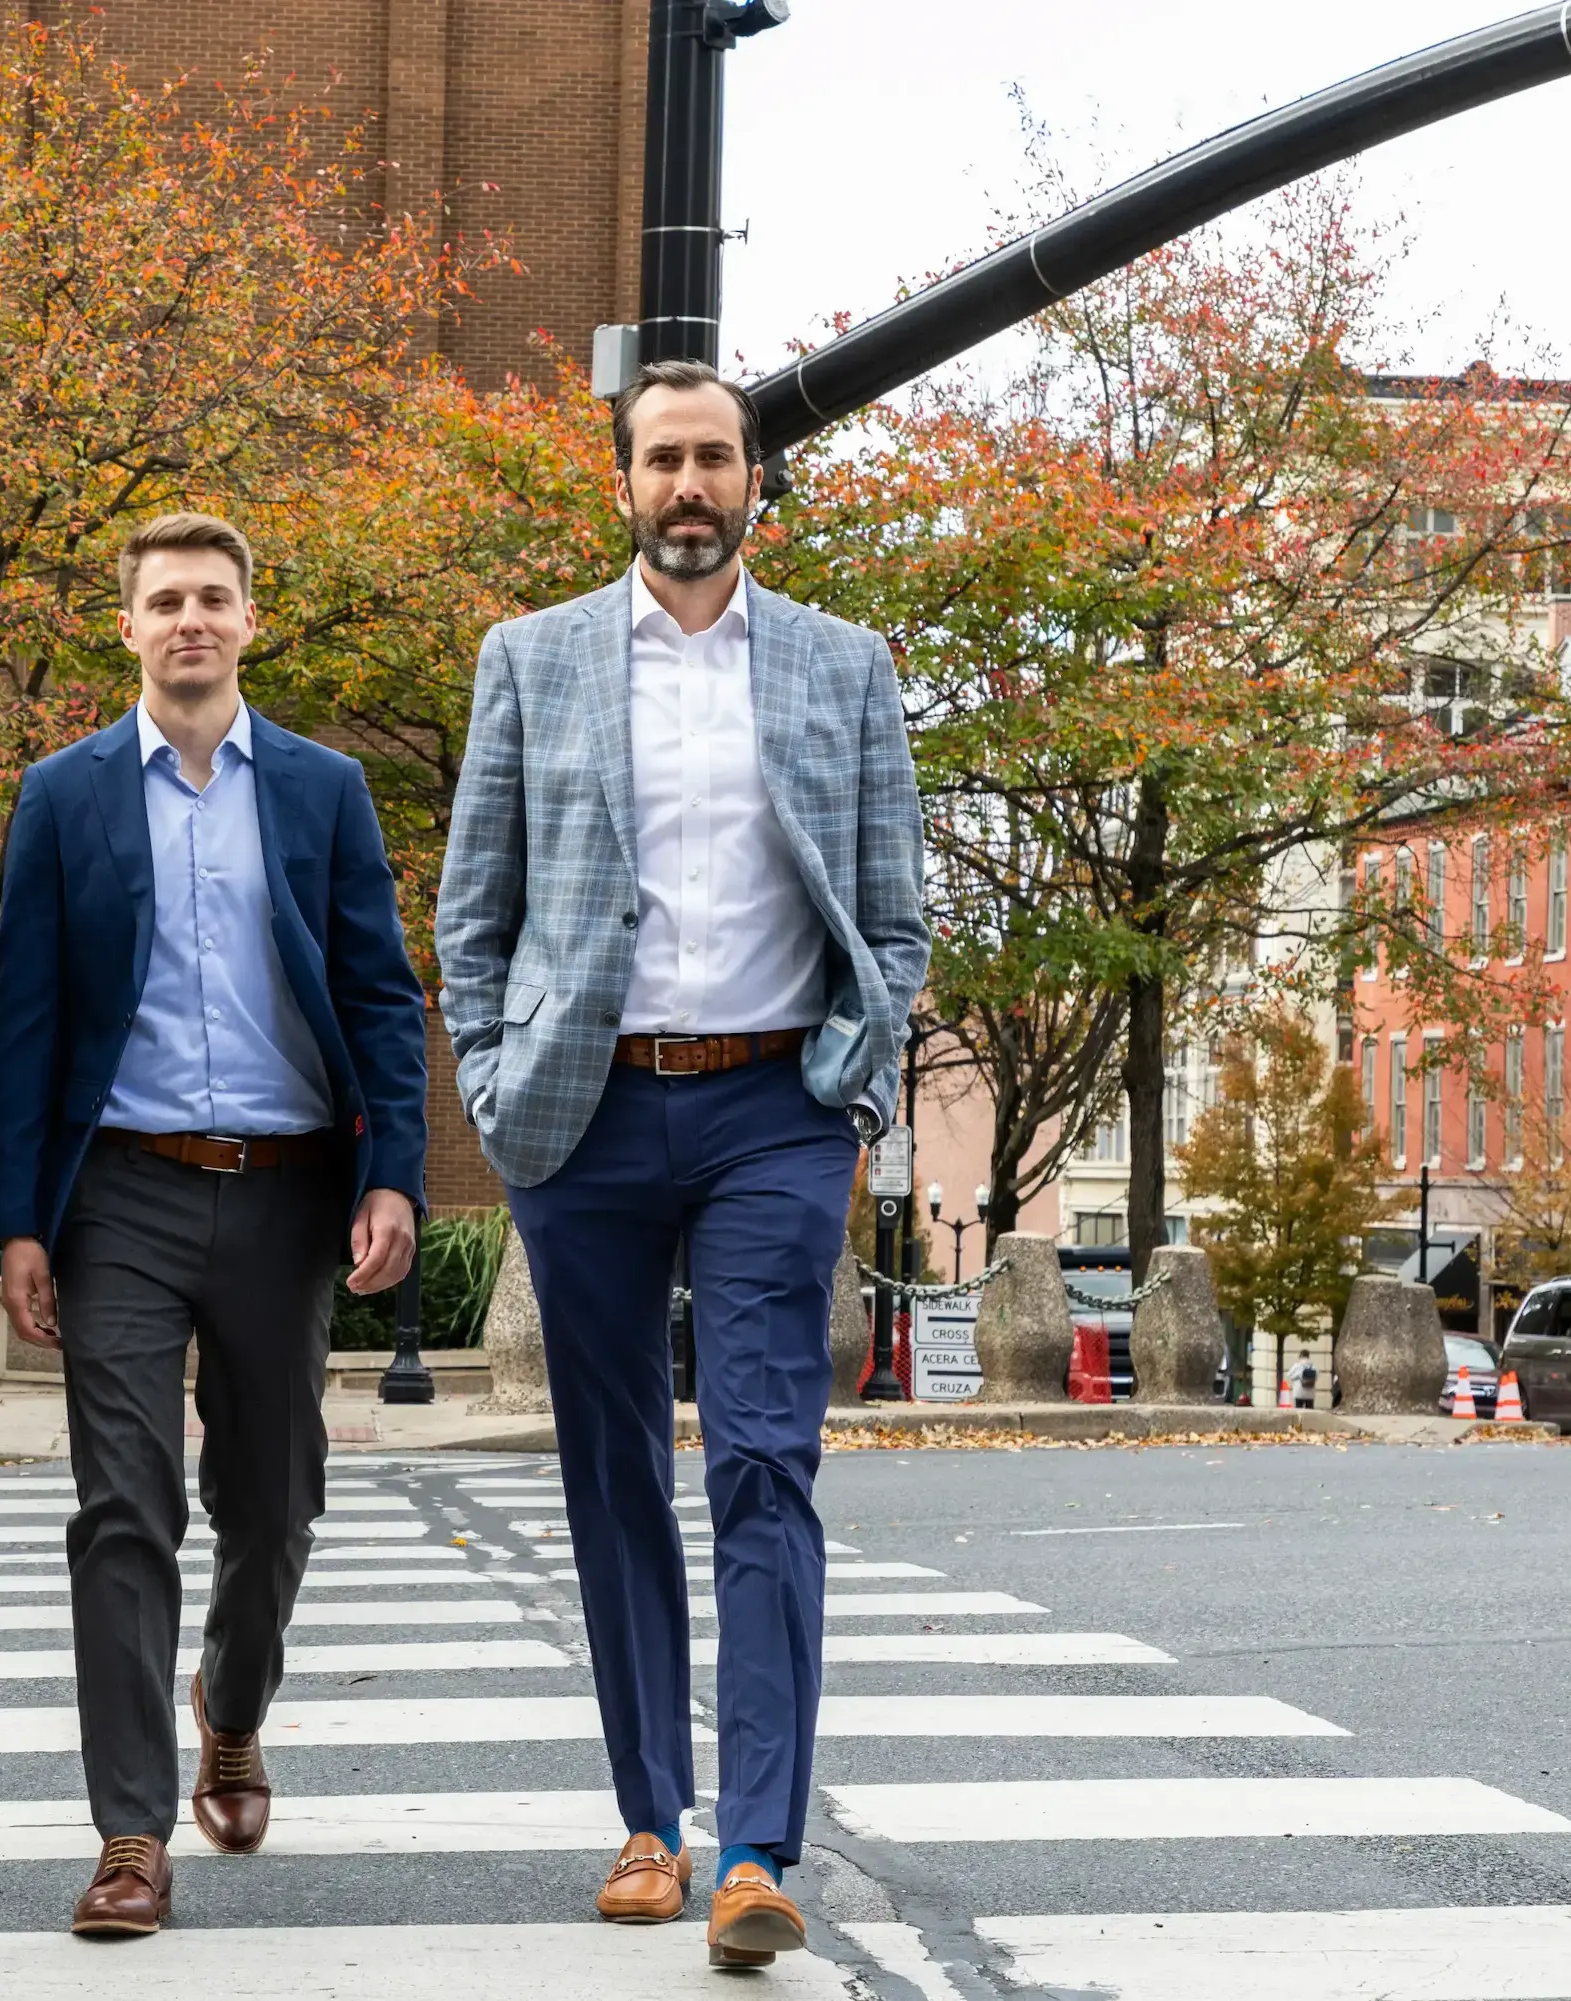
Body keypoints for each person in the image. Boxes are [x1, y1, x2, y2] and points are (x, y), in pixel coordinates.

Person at [434, 359, 928, 1967]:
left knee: (764, 1466)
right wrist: (501, 1090)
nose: (693, 484)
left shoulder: (846, 667)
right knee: (612, 1472)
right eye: (665, 459)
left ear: (755, 485)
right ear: (626, 485)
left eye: (718, 456)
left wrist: (847, 1091)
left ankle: (759, 1849)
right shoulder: (535, 659)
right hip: (583, 1117)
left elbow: (896, 915)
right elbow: (473, 910)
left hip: (772, 1109)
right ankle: (651, 1819)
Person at [0, 511, 430, 1938]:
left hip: (291, 1186)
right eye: (164, 600)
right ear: (128, 628)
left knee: (274, 1499)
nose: (189, 620)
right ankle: (129, 1833)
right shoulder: (62, 797)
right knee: (123, 1507)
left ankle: (231, 1709)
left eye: (213, 599)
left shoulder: (322, 788)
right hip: (121, 1187)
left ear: (249, 622)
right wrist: (20, 1224)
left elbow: (377, 998)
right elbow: (29, 1022)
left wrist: (394, 1175)